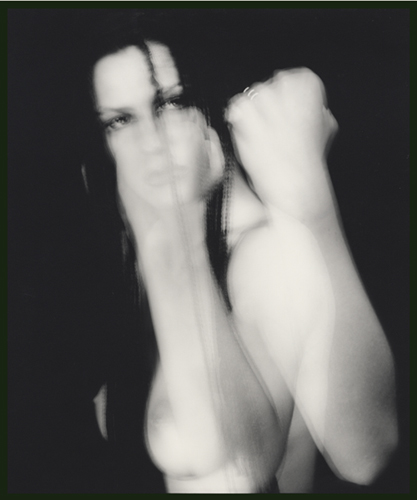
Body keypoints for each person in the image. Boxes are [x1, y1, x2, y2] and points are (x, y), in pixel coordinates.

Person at [82, 13, 398, 493]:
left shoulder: (264, 253)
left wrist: (183, 239)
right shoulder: (125, 247)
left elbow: (241, 466)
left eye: (171, 103)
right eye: (120, 121)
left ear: (209, 103)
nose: (151, 141)